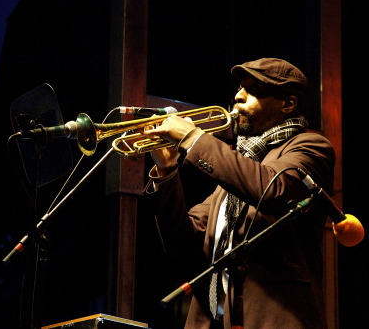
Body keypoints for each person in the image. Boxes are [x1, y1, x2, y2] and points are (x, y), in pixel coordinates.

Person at [144, 58, 335, 328]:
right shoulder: (234, 172)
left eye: (252, 90)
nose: (238, 96)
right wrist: (166, 171)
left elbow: (272, 189)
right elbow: (182, 243)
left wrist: (193, 139)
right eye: (239, 88)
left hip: (275, 317)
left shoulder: (310, 147)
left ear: (288, 104)